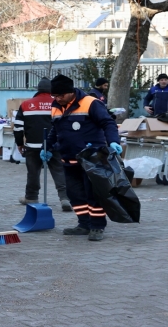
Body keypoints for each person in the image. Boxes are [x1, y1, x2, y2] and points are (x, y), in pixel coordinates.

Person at [42, 74, 120, 242]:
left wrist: (113, 141)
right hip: (69, 159)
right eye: (54, 96)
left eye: (60, 95)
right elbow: (55, 130)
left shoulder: (91, 103)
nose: (57, 99)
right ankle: (83, 224)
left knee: (94, 194)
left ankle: (97, 226)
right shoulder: (55, 107)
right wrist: (47, 147)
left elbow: (108, 123)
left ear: (70, 92)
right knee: (75, 195)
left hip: (92, 159)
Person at [14, 77, 71, 211]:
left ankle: (31, 197)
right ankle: (65, 198)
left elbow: (18, 127)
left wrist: (20, 143)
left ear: (38, 90)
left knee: (33, 172)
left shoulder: (26, 104)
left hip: (33, 146)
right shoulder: (59, 103)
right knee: (59, 171)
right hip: (55, 145)